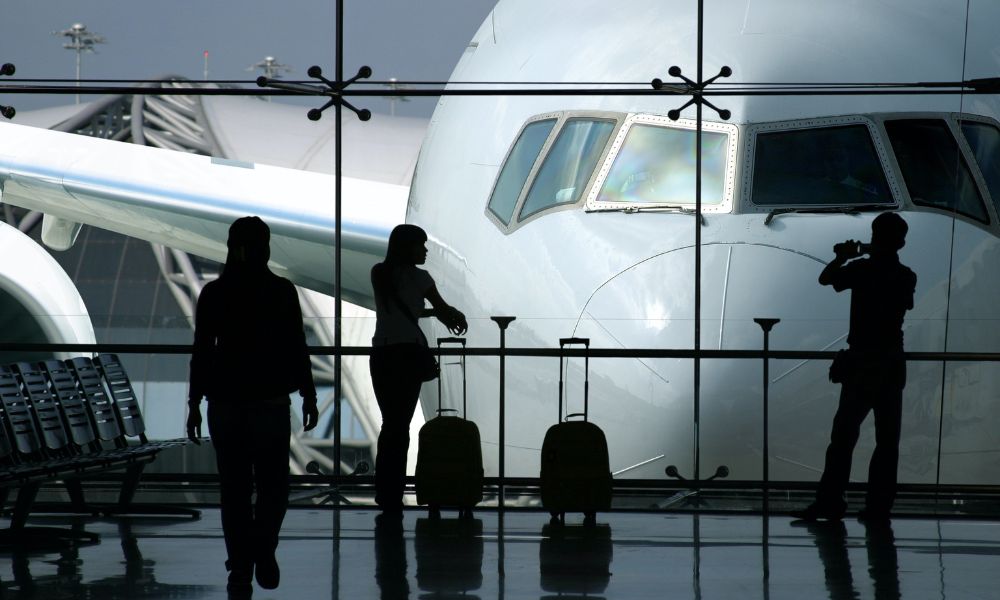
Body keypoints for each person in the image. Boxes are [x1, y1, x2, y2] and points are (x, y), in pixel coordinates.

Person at [186, 216, 319, 596]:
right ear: (265, 247)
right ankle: (264, 546)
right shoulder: (280, 292)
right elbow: (297, 345)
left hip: (225, 403)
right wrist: (308, 394)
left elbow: (201, 353)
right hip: (270, 402)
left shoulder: (214, 294)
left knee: (235, 490)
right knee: (274, 486)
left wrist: (194, 402)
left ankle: (239, 565)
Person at [795, 212, 916, 522]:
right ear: (901, 242)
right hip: (891, 363)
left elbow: (826, 279)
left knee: (843, 438)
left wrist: (842, 257)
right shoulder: (906, 276)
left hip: (862, 362)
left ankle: (830, 501)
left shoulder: (861, 270)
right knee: (887, 441)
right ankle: (878, 507)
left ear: (874, 237)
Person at [370, 224, 467, 514]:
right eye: (421, 245)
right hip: (408, 356)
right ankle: (395, 490)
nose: (425, 250)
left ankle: (384, 492)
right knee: (402, 426)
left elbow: (397, 306)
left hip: (382, 353)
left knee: (390, 425)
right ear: (408, 246)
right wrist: (452, 315)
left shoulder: (379, 273)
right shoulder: (422, 278)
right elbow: (443, 309)